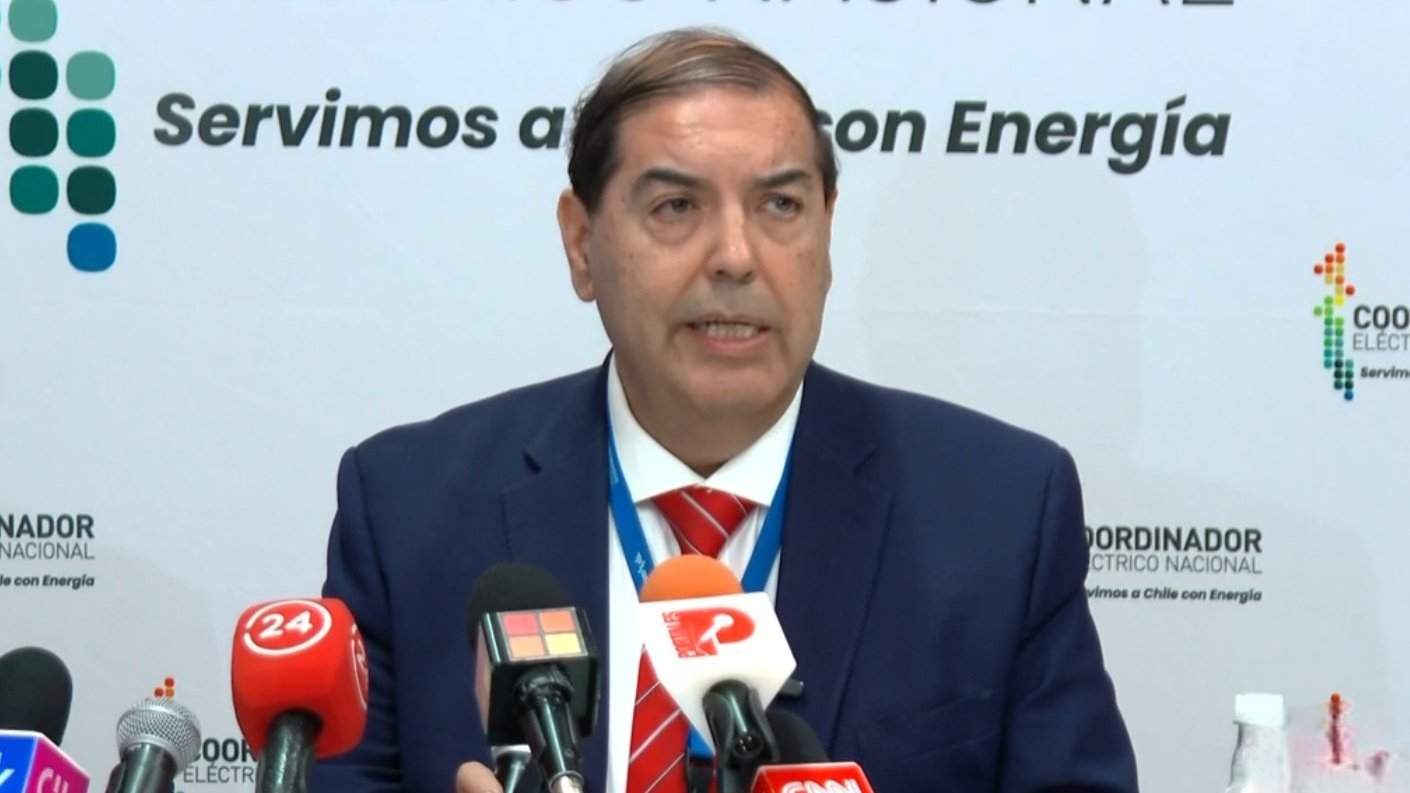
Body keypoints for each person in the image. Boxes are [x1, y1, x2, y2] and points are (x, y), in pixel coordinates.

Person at [309, 26, 1139, 793]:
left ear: (827, 231)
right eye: (677, 207)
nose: (737, 257)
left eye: (781, 206)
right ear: (581, 243)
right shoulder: (410, 510)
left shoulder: (999, 515)